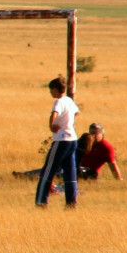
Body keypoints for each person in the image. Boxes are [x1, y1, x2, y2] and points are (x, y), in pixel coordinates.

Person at [35, 77, 79, 208]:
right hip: (72, 140)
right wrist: (69, 124)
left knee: (48, 171)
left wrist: (52, 125)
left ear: (55, 89)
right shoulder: (69, 100)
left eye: (51, 90)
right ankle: (71, 203)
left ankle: (41, 202)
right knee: (70, 172)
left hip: (61, 140)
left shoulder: (58, 101)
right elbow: (77, 113)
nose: (50, 92)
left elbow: (54, 113)